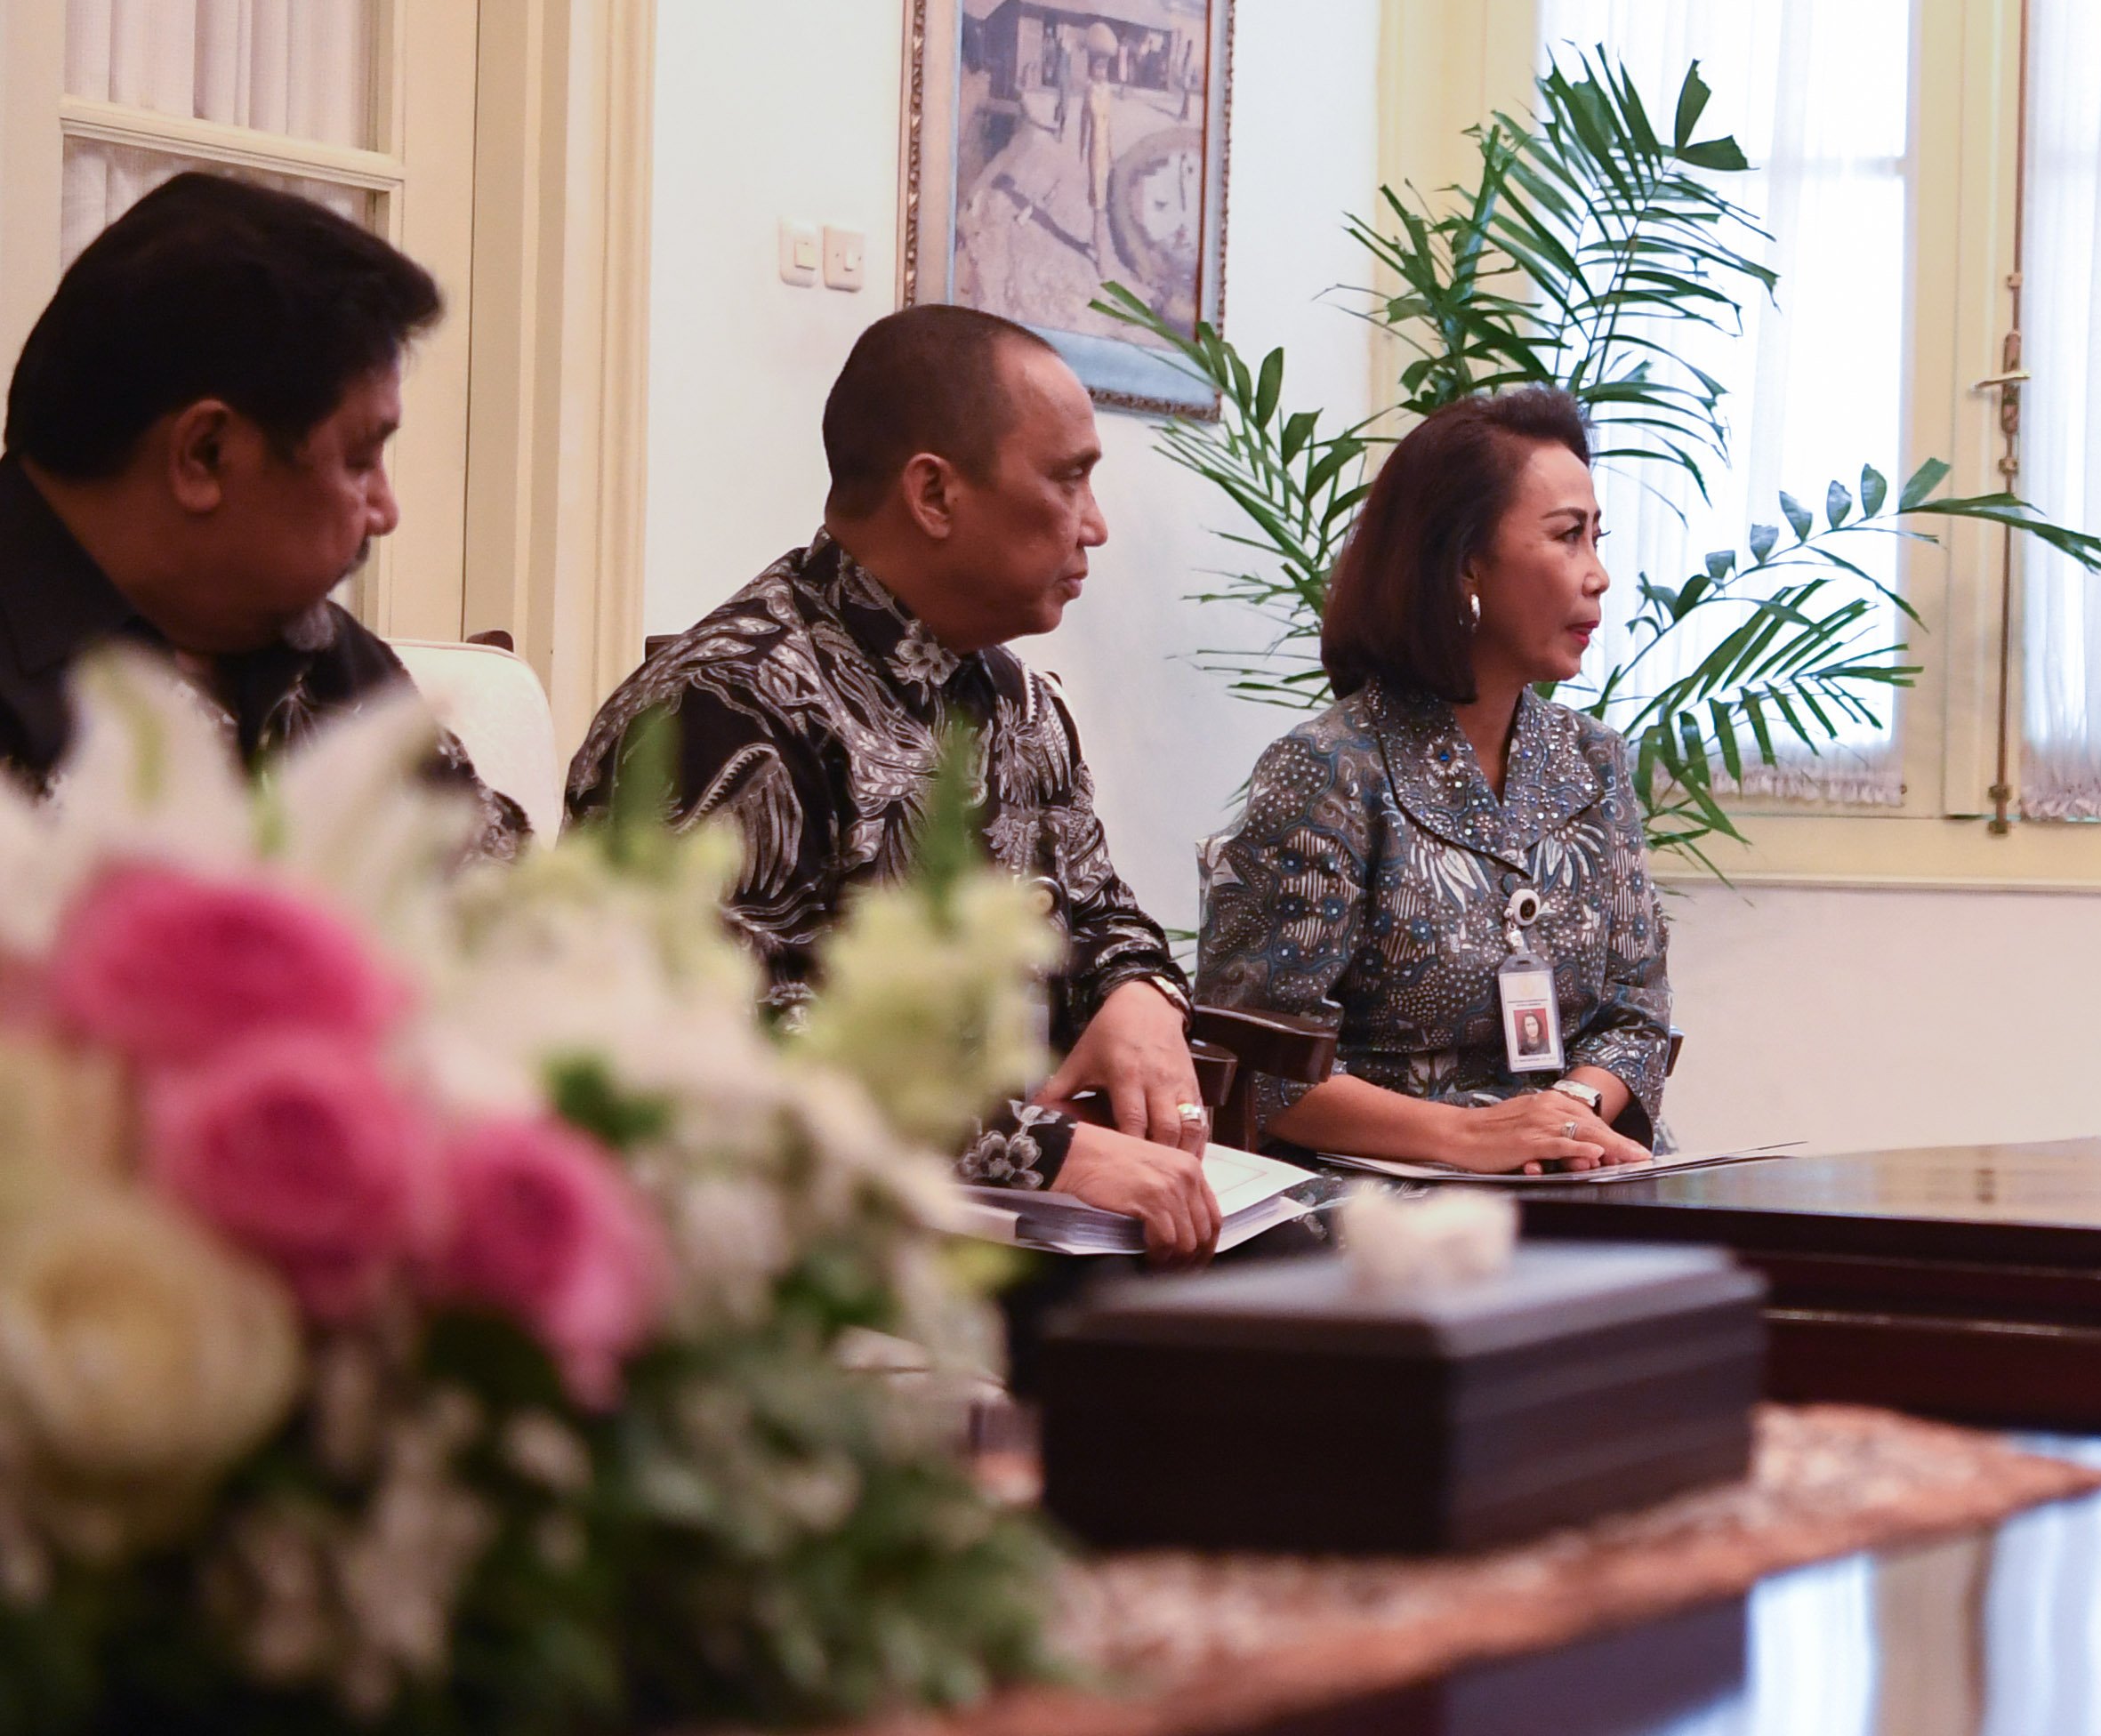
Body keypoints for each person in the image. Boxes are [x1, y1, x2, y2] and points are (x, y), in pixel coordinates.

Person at [564, 307, 1215, 1256]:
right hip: (797, 1249)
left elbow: (1103, 911)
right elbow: (712, 1038)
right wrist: (1043, 1157)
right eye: (1069, 479)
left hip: (1025, 1228)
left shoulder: (1011, 696)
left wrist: (1142, 996)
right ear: (936, 495)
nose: (1097, 527)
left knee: (1319, 1289)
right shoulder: (730, 704)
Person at [1195, 389, 1670, 1171]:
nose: (1599, 576)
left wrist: (1567, 1119)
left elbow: (1637, 1014)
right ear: (1464, 564)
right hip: (1386, 1202)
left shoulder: (1593, 760)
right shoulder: (1329, 769)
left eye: (1597, 538)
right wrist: (1469, 1139)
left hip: (1573, 1177)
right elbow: (1261, 1064)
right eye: (1567, 538)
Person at [0, 173, 518, 840]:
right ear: (206, 454)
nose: (385, 512)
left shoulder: (330, 661)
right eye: (359, 460)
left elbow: (509, 917)